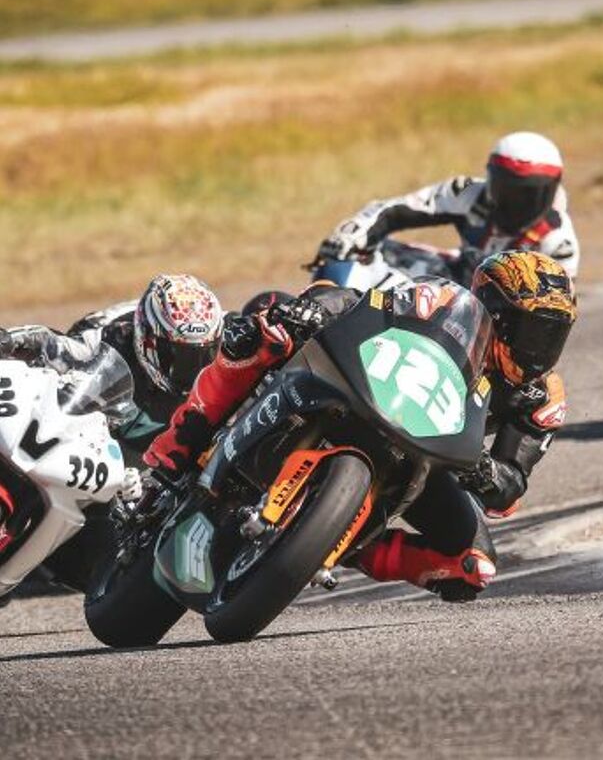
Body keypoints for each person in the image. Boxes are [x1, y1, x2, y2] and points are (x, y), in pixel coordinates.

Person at [143, 251, 576, 601]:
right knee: (264, 331)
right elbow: (361, 301)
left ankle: (341, 541)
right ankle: (175, 449)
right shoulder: (441, 303)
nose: (541, 350)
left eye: (553, 336)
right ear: (496, 315)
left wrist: (485, 472)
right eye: (534, 331)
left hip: (428, 456)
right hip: (365, 388)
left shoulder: (542, 397)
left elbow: (510, 487)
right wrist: (312, 310)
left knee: (472, 566)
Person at [2, 274, 224, 458]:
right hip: (108, 443)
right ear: (146, 340)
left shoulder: (228, 339)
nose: (192, 369)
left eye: (204, 355)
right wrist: (11, 340)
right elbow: (53, 346)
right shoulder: (108, 337)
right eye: (177, 355)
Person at [315, 131, 580, 282]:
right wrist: (351, 235)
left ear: (552, 189)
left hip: (496, 322)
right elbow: (392, 210)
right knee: (357, 252)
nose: (515, 204)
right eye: (506, 191)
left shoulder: (559, 243)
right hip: (455, 286)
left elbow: (552, 318)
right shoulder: (467, 191)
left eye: (527, 195)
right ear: (490, 178)